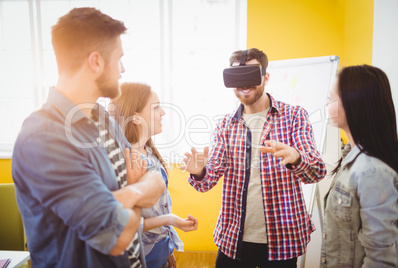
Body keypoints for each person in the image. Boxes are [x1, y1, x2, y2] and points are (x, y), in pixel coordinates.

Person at [11, 8, 165, 268]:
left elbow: (156, 178)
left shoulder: (103, 118)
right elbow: (117, 237)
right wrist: (138, 192)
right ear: (96, 61)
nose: (123, 69)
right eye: (119, 59)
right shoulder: (43, 139)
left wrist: (126, 195)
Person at [181, 48, 327, 267]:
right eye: (236, 77)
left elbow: (317, 171)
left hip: (283, 238)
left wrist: (296, 157)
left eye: (251, 75)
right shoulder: (225, 125)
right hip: (234, 237)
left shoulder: (295, 116)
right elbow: (207, 182)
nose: (243, 84)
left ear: (266, 77)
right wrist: (199, 171)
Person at [110, 82, 199, 268]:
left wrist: (167, 250)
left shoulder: (148, 151)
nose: (163, 113)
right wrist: (171, 220)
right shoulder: (124, 161)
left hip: (159, 250)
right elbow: (122, 223)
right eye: (156, 107)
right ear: (136, 118)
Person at [321, 65, 398, 267]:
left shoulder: (372, 172)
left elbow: (381, 260)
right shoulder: (351, 156)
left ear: (352, 103)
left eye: (331, 98)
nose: (327, 105)